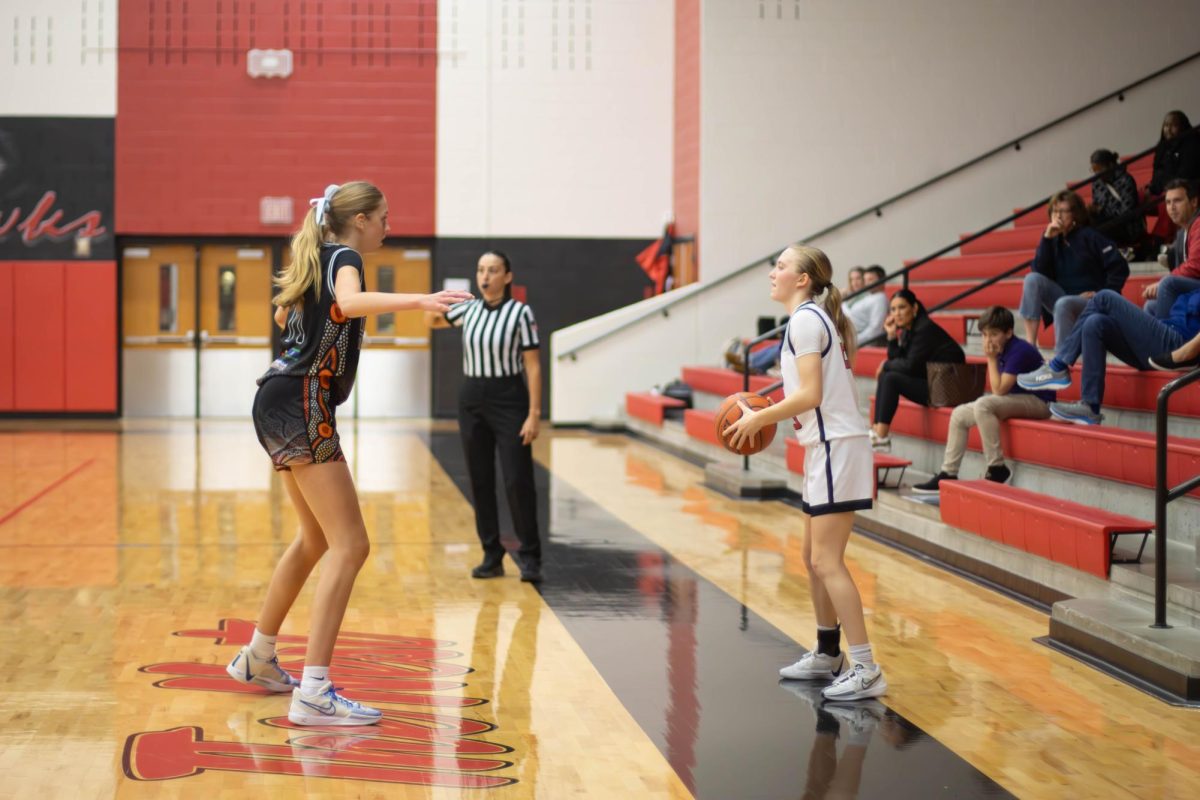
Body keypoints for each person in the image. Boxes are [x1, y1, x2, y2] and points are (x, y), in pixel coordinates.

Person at [229, 181, 471, 726]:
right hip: (301, 401)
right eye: (384, 216)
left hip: (274, 398)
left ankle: (258, 658)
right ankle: (314, 691)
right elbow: (347, 302)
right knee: (352, 545)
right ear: (359, 219)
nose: (390, 225)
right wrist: (419, 299)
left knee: (316, 539)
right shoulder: (343, 257)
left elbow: (285, 316)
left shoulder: (313, 258)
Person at [724, 244, 886, 702]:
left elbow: (811, 393)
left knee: (826, 561)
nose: (772, 272)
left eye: (780, 266)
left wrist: (761, 416)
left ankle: (867, 667)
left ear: (803, 278)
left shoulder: (806, 320)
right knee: (811, 557)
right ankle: (827, 653)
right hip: (825, 447)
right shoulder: (811, 318)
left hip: (837, 446)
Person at [428, 251, 544, 582]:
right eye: (481, 270)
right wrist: (435, 305)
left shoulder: (521, 313)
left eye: (493, 270)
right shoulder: (468, 309)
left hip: (510, 399)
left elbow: (533, 366)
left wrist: (534, 413)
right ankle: (492, 554)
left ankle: (531, 556)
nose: (485, 276)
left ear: (507, 277)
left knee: (516, 479)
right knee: (479, 480)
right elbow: (431, 322)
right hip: (472, 399)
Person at [912, 307, 1053, 493]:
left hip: (1040, 402)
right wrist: (993, 358)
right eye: (985, 335)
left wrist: (991, 359)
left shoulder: (1020, 350)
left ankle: (996, 467)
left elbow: (999, 390)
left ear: (1009, 332)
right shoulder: (1002, 347)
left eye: (993, 334)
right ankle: (949, 471)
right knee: (959, 414)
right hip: (1016, 398)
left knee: (983, 404)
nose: (988, 340)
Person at [1017, 287, 1200, 425]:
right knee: (1094, 323)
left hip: (1179, 344)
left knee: (1104, 297)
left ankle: (1058, 366)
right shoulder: (1188, 287)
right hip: (1159, 344)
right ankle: (1090, 406)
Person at [1017, 190, 1129, 349]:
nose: (1058, 216)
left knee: (1064, 303)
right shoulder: (1052, 239)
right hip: (1063, 296)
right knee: (1031, 279)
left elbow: (1119, 266)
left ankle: (1060, 361)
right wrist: (1047, 239)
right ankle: (1030, 346)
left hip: (1091, 300)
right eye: (1055, 211)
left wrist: (1101, 294)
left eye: (1063, 211)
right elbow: (1039, 272)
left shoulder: (1090, 236)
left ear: (1075, 214)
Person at [870, 289, 964, 450]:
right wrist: (892, 336)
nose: (897, 314)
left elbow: (909, 366)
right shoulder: (909, 329)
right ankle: (878, 432)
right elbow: (898, 361)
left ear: (914, 309)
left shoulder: (924, 329)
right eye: (893, 309)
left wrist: (885, 364)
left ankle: (881, 435)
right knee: (888, 375)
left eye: (902, 308)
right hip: (933, 382)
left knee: (890, 377)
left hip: (949, 390)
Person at [1143, 179, 1200, 319]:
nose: (1171, 207)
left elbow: (1196, 266)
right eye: (1168, 202)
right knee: (1150, 306)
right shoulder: (1182, 231)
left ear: (1194, 202)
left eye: (1177, 201)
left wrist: (1163, 282)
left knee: (1168, 284)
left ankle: (1166, 339)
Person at [1087, 149, 1143, 249]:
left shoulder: (1125, 180)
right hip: (1105, 223)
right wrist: (1093, 210)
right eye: (1094, 170)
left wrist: (1102, 210)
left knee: (1095, 229)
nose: (1097, 174)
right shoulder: (1097, 183)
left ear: (1111, 165)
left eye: (1100, 169)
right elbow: (1097, 205)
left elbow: (1127, 212)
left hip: (1127, 227)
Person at [847, 265, 888, 345]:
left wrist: (853, 341)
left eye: (870, 280)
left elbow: (875, 329)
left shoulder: (880, 298)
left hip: (862, 343)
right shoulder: (869, 296)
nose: (867, 283)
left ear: (881, 280)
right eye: (865, 280)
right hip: (852, 337)